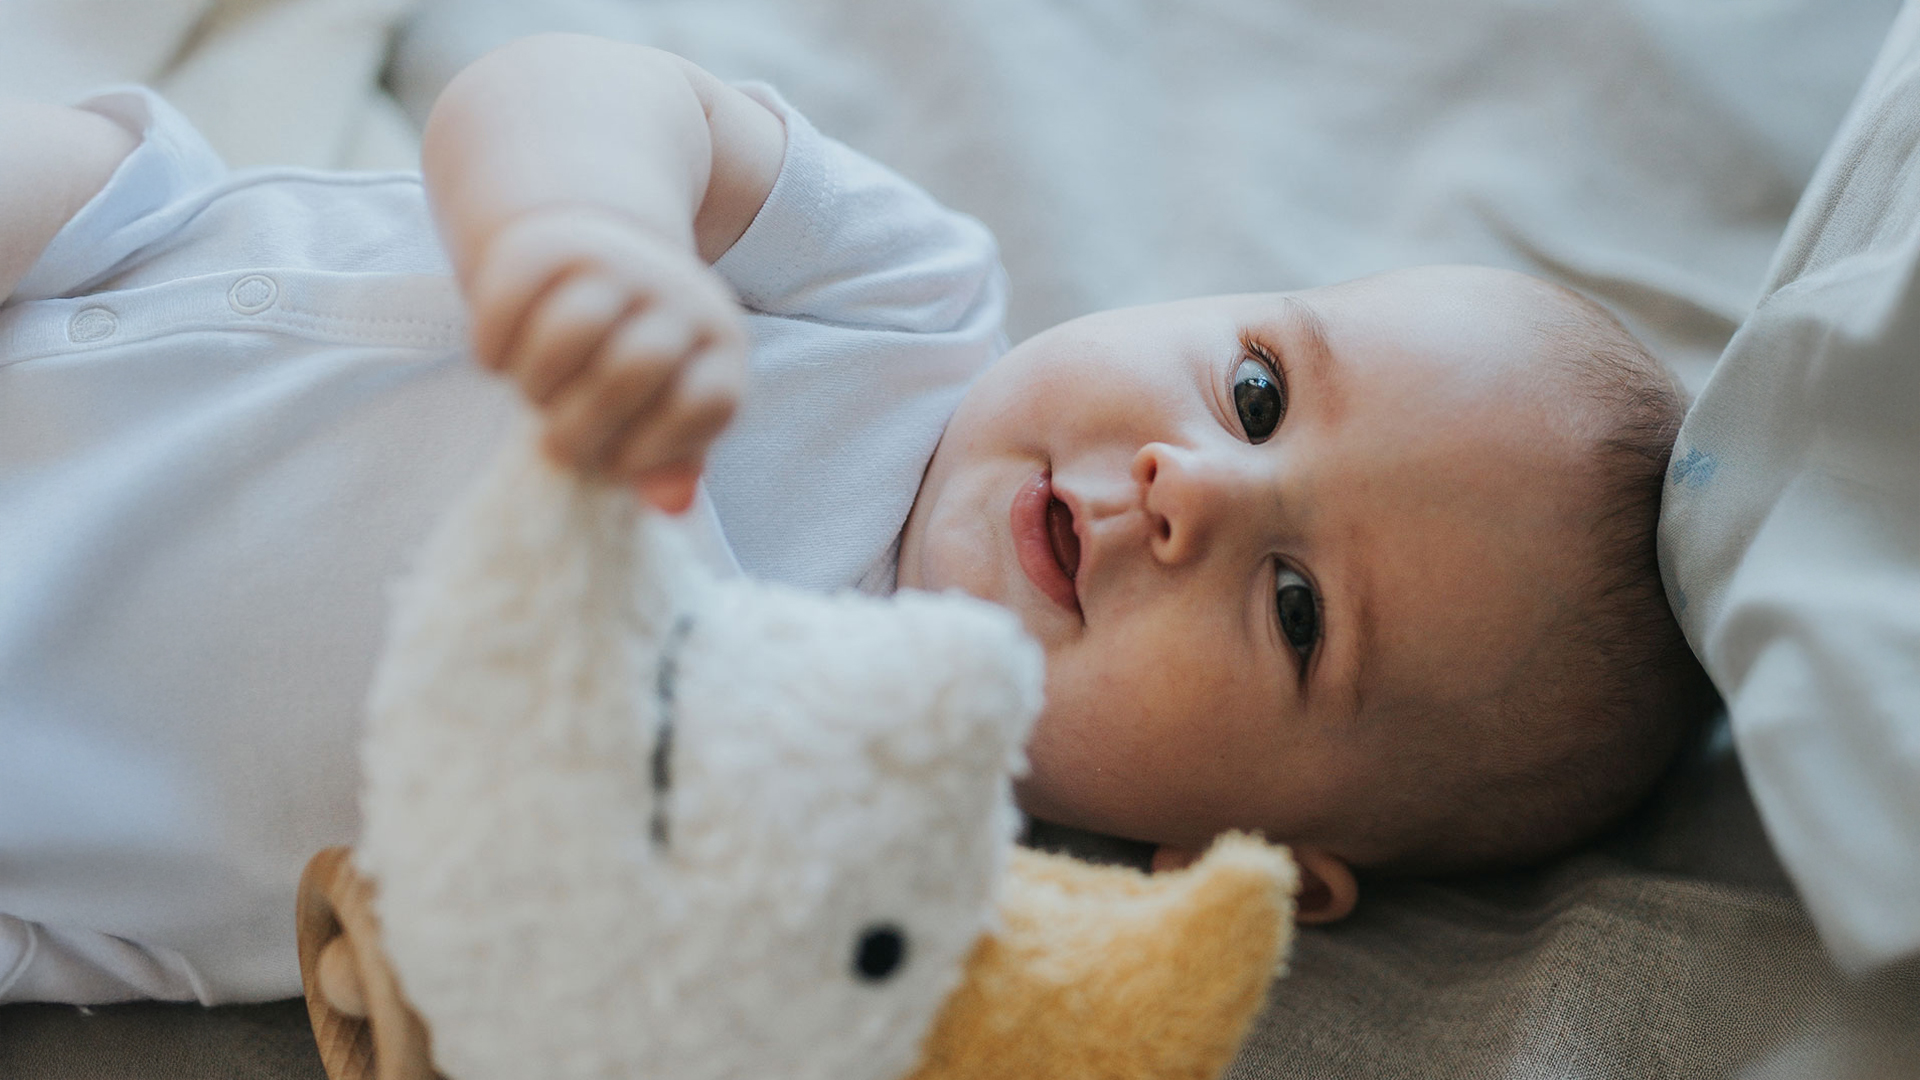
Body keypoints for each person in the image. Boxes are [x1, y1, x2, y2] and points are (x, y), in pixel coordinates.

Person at [0, 33, 1713, 1004]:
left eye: (1296, 611)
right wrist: (585, 232)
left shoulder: (861, 917)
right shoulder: (903, 306)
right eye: (1258, 391)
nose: (1194, 486)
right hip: (87, 286)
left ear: (1245, 866)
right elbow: (577, 85)